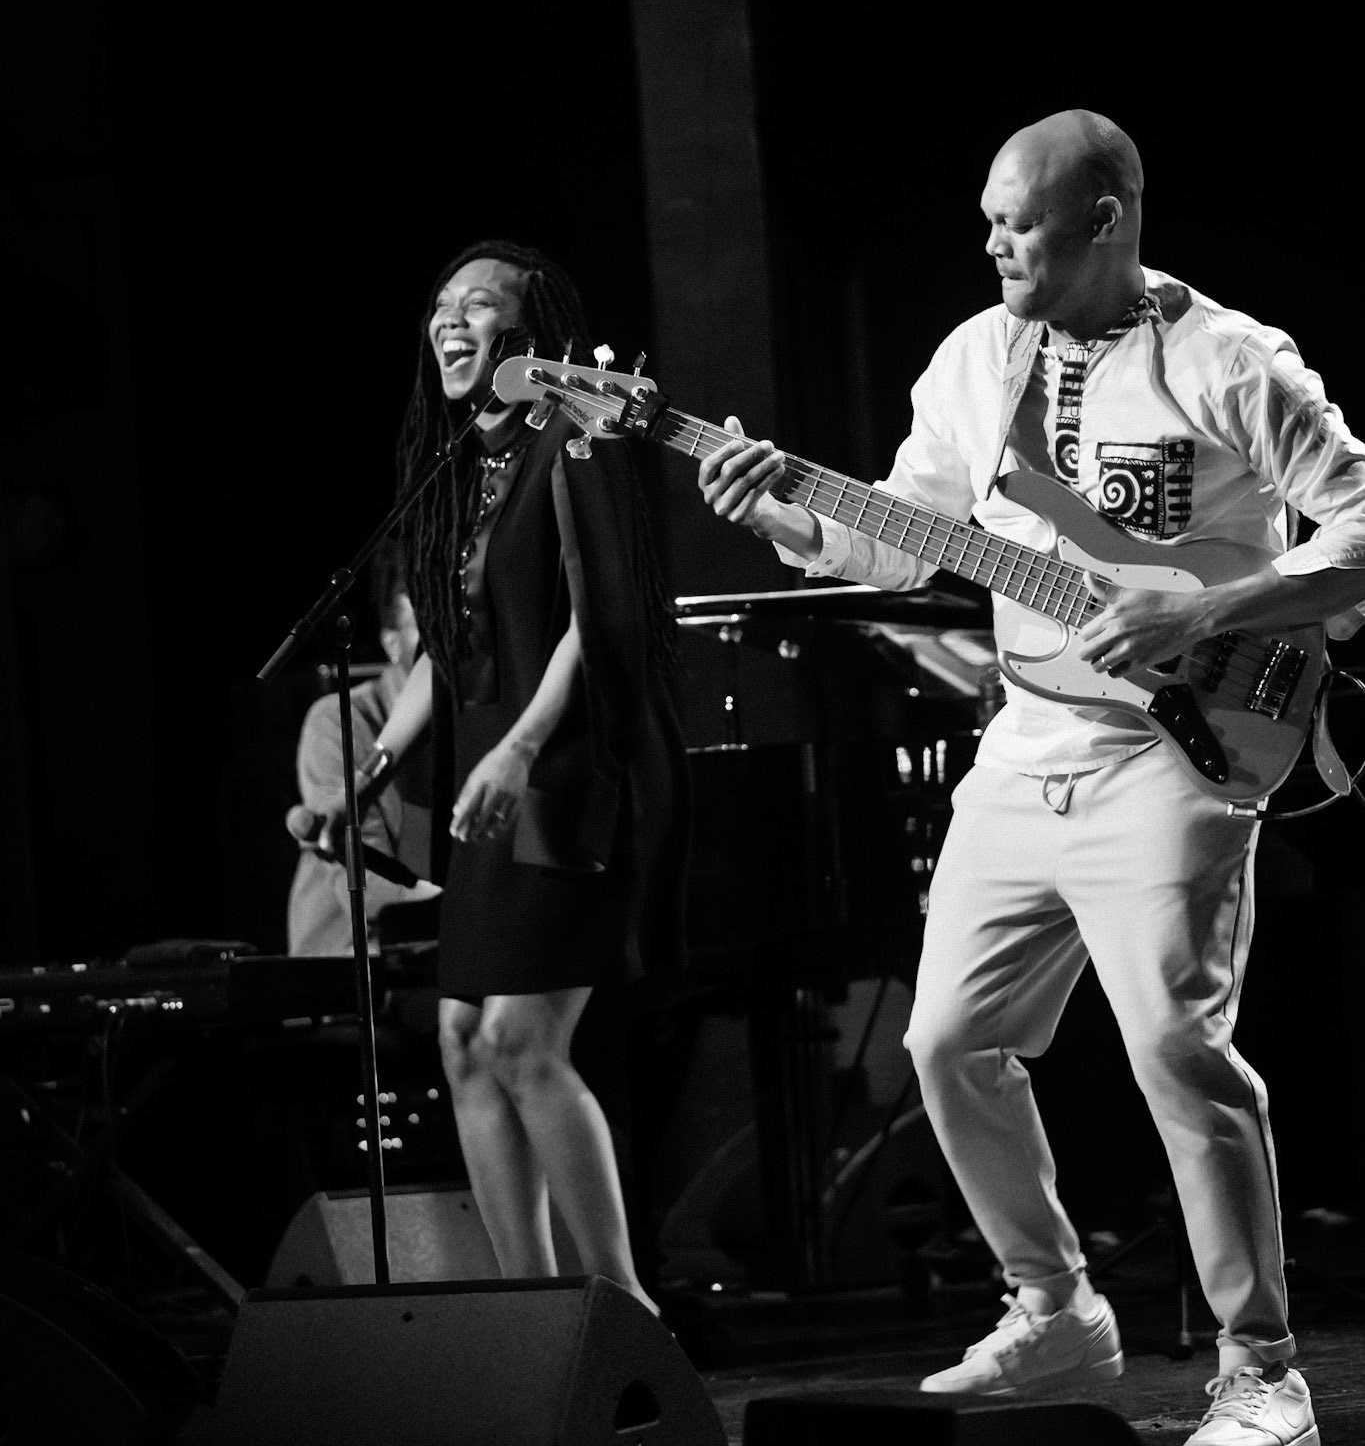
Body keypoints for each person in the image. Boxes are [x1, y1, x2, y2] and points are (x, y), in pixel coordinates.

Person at [696, 109, 1365, 1445]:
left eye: (1020, 220)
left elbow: (1357, 531)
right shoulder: (973, 358)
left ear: (1105, 218)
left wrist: (1205, 612)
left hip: (1175, 749)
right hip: (1025, 741)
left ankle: (1261, 1369)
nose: (994, 241)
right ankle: (1052, 1305)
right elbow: (901, 535)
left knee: (1178, 1046)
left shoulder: (1227, 359)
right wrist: (784, 511)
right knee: (945, 1041)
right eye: (988, 220)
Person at [341, 238, 686, 1312]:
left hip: (574, 764)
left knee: (521, 1035)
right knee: (460, 1036)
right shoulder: (465, 466)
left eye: (478, 305)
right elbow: (450, 655)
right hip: (498, 776)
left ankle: (625, 1308)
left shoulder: (573, 434)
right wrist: (377, 767)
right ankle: (532, 1319)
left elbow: (600, 619)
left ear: (528, 334)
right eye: (440, 305)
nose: (450, 321)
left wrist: (523, 745)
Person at [286, 543, 437, 956]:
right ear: (391, 642)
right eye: (428, 629)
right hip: (349, 969)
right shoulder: (338, 720)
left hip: (433, 958)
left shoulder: (468, 720)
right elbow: (368, 881)